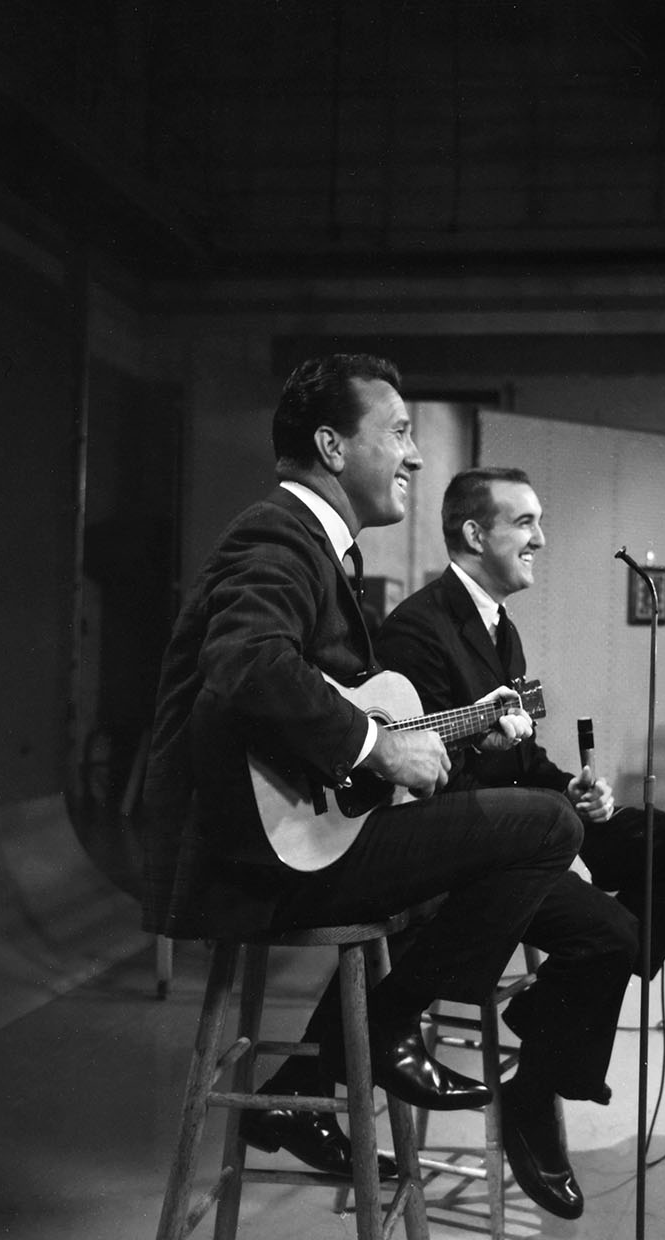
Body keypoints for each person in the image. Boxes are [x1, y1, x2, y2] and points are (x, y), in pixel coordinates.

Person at [141, 356, 583, 1179]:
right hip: (250, 862)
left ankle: (331, 1065)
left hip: (285, 845)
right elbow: (247, 666)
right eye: (399, 433)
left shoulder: (317, 546)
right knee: (545, 825)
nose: (414, 457)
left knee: (498, 833)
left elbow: (306, 704)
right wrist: (380, 747)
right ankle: (381, 1038)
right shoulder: (278, 533)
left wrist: (427, 744)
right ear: (332, 448)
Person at [374, 467, 665, 1221]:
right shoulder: (417, 630)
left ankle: (558, 1008)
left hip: (540, 820)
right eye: (525, 522)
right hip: (482, 857)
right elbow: (430, 783)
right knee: (613, 936)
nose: (542, 538)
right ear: (475, 534)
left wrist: (572, 792)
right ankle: (535, 1093)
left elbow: (522, 759)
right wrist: (537, 807)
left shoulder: (500, 624)